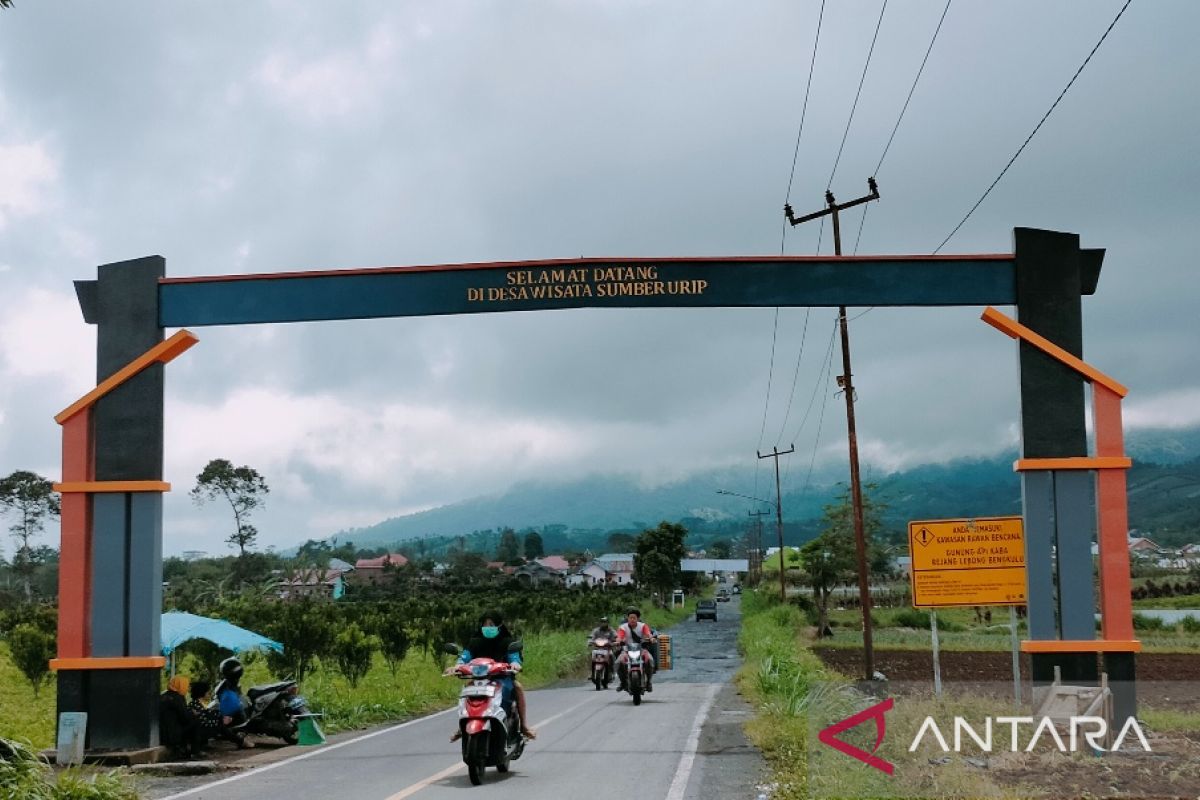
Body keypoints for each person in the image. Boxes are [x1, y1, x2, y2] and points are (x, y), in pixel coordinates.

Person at [445, 611, 536, 741]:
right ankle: (463, 724)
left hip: (502, 677)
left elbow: (514, 657)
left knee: (517, 687)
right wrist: (456, 666)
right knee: (466, 687)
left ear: (499, 626)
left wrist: (515, 664)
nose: (488, 627)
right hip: (479, 679)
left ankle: (524, 727)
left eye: (491, 624)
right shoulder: (474, 642)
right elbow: (464, 657)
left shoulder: (507, 642)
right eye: (485, 624)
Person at [189, 679, 246, 749]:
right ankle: (240, 741)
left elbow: (208, 715)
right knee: (220, 726)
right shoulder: (196, 705)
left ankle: (240, 741)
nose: (209, 693)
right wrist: (221, 720)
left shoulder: (197, 703)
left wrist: (221, 718)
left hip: (199, 729)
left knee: (222, 725)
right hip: (197, 731)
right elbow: (203, 721)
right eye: (207, 692)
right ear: (202, 693)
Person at [159, 675, 203, 759]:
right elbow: (185, 718)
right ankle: (195, 752)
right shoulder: (178, 698)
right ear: (181, 685)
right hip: (172, 735)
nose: (187, 689)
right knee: (196, 721)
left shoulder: (163, 696)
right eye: (186, 686)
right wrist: (193, 714)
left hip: (161, 734)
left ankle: (183, 749)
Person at [615, 607, 657, 692]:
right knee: (618, 662)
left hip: (641, 649)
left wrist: (651, 638)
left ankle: (649, 682)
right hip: (626, 650)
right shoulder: (623, 627)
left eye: (634, 618)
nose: (632, 619)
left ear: (638, 618)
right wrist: (618, 641)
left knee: (650, 660)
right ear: (627, 618)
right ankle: (622, 682)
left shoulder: (643, 626)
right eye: (630, 617)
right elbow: (620, 636)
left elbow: (648, 633)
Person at [216, 658, 255, 749]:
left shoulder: (231, 682)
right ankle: (241, 738)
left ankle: (241, 737)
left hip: (237, 711)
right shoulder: (231, 682)